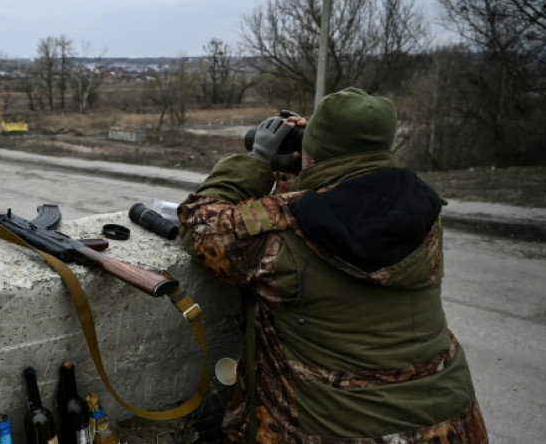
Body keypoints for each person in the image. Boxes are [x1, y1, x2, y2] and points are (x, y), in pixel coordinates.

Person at [177, 88, 487, 443]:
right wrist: (311, 166)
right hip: (447, 423)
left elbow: (198, 223)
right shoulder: (424, 211)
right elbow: (345, 200)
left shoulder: (285, 232)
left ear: (315, 151)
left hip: (335, 428)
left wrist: (259, 160)